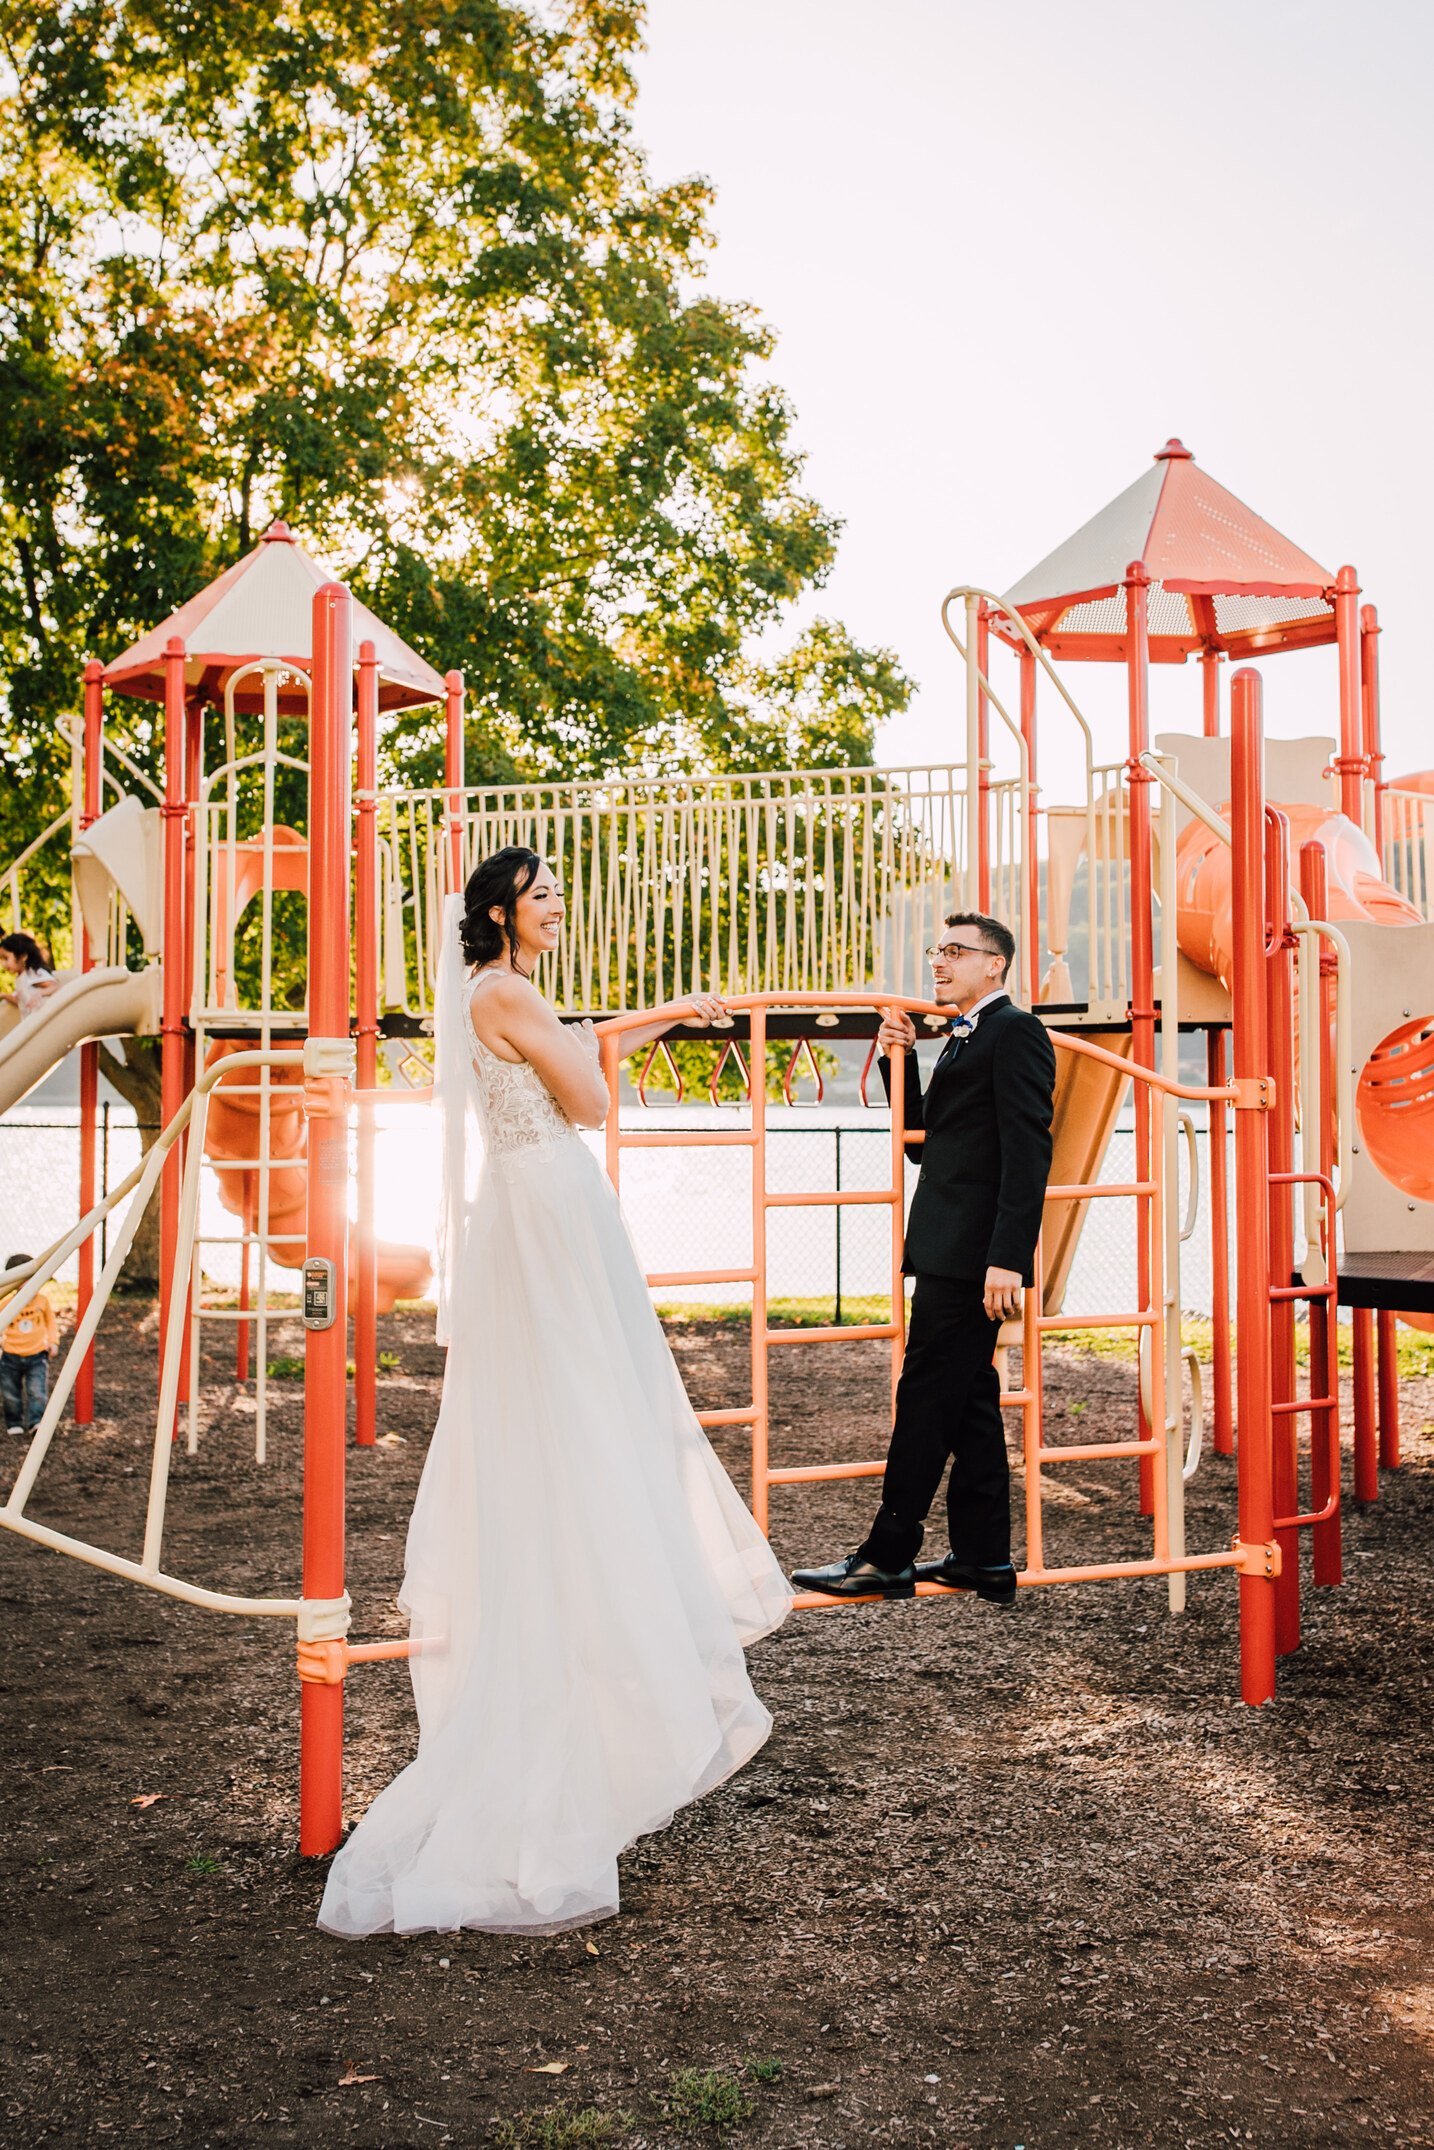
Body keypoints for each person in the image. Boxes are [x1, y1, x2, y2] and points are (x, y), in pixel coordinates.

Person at [318, 848, 791, 1940]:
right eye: (542, 895)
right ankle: (605, 1659)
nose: (557, 906)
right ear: (499, 910)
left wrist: (662, 1010)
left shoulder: (491, 992)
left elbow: (568, 1044)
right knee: (594, 1408)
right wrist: (613, 1043)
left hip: (522, 1208)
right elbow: (587, 1095)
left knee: (563, 1412)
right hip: (554, 1203)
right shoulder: (511, 990)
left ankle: (591, 1646)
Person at [793, 912, 1056, 1608]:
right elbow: (925, 1145)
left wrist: (1009, 1259)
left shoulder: (1015, 1031)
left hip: (973, 1260)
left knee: (925, 1398)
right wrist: (900, 1055)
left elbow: (1029, 1155)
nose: (940, 963)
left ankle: (886, 1554)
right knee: (968, 1399)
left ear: (995, 964)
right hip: (947, 1248)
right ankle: (983, 1555)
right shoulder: (964, 1038)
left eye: (956, 952)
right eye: (937, 951)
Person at [2, 1254, 59, 1437]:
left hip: (37, 1355)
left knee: (37, 1391)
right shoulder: (7, 1303)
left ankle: (36, 1421)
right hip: (11, 1355)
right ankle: (14, 1422)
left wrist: (53, 1341)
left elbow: (51, 1323)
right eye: (25, 1281)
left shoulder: (42, 1301)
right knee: (10, 1393)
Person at [0, 932, 61, 1019]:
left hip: (40, 1022)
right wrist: (4, 996)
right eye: (1, 959)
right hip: (28, 1024)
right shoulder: (20, 978)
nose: (3, 964)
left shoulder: (33, 973)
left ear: (23, 956)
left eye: (6, 958)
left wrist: (40, 993)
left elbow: (55, 986)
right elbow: (20, 1002)